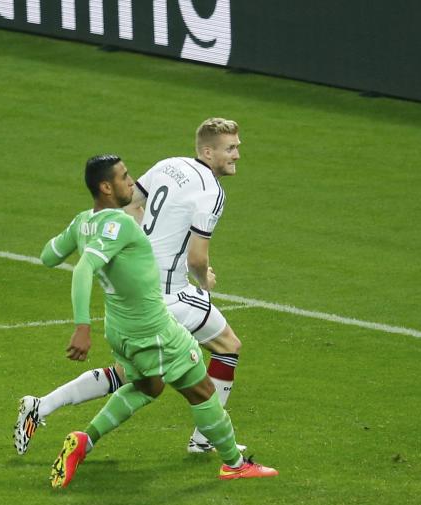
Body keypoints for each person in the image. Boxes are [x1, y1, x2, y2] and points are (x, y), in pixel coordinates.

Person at [41, 154, 277, 487]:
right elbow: (83, 268)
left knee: (149, 386)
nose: (131, 181)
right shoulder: (120, 224)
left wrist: (78, 236)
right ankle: (235, 465)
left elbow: (49, 255)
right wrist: (81, 326)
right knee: (203, 391)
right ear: (106, 187)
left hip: (119, 328)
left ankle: (85, 439)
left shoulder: (83, 222)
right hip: (152, 328)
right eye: (124, 177)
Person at [15, 118, 246, 455]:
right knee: (226, 346)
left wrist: (137, 244)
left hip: (135, 288)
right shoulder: (212, 192)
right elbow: (198, 258)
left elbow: (129, 203)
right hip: (171, 293)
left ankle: (44, 407)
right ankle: (208, 441)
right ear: (208, 151)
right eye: (231, 148)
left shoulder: (169, 164)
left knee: (141, 380)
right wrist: (205, 281)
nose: (237, 154)